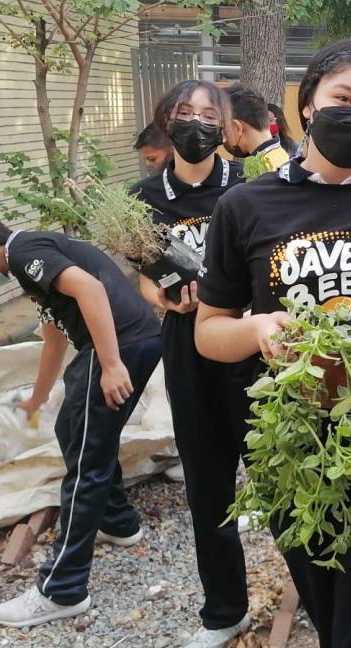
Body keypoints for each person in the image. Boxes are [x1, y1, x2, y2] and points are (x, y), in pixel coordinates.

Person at [194, 39, 351, 648]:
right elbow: (208, 332)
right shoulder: (246, 205)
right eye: (344, 98)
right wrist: (257, 329)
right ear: (308, 105)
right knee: (331, 599)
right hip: (298, 447)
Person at [0, 209, 161, 628]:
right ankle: (117, 521)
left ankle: (62, 590)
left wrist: (110, 364)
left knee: (87, 464)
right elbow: (54, 333)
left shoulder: (25, 254)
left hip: (119, 346)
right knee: (70, 429)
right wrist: (36, 400)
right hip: (123, 344)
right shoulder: (31, 259)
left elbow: (90, 289)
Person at [128, 80, 251, 648]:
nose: (197, 124)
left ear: (226, 127)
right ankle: (225, 610)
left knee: (282, 471)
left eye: (209, 115)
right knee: (206, 482)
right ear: (166, 121)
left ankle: (323, 597)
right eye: (185, 113)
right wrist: (163, 299)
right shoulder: (143, 199)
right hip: (188, 347)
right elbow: (145, 278)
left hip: (251, 345)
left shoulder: (251, 188)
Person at [225, 83, 291, 174]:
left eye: (223, 129)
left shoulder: (267, 172)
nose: (223, 138)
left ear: (237, 128)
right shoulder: (281, 159)